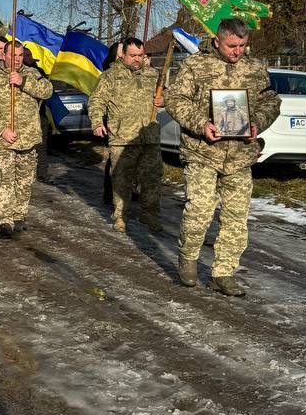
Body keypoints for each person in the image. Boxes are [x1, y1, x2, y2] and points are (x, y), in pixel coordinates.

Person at [164, 16, 281, 296]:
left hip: (240, 155)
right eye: (231, 45)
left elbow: (270, 101)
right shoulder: (196, 65)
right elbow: (175, 100)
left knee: (235, 217)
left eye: (242, 45)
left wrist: (258, 123)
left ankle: (223, 273)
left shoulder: (254, 68)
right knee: (201, 209)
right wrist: (200, 124)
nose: (237, 51)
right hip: (203, 151)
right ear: (217, 41)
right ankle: (189, 257)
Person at [0, 41, 52, 237]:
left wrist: (23, 81)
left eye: (20, 55)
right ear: (4, 55)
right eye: (13, 55)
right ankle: (5, 220)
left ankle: (19, 215)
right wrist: (1, 130)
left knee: (25, 181)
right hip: (4, 140)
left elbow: (47, 91)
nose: (17, 59)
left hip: (28, 138)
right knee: (4, 179)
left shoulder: (32, 74)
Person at [88, 37, 163, 233]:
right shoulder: (110, 76)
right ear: (123, 55)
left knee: (152, 178)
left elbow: (168, 97)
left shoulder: (153, 75)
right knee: (121, 179)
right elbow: (96, 101)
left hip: (149, 136)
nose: (137, 59)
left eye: (140, 55)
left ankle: (150, 214)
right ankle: (120, 216)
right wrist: (97, 122)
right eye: (133, 56)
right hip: (122, 137)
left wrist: (163, 100)